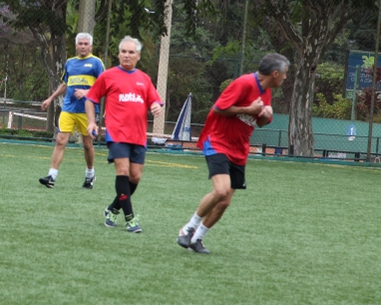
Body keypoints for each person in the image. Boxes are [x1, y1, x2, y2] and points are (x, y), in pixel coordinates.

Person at [177, 53, 289, 254]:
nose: (285, 77)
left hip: (239, 150)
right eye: (285, 73)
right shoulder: (244, 83)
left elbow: (260, 122)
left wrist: (266, 115)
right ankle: (188, 228)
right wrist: (249, 108)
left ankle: (197, 239)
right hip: (218, 141)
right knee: (221, 191)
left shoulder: (266, 91)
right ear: (275, 73)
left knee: (224, 202)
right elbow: (218, 108)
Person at [85, 36, 163, 233]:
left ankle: (113, 209)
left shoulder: (144, 79)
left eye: (131, 52)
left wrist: (156, 106)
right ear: (119, 54)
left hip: (138, 135)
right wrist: (92, 122)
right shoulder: (108, 76)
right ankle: (130, 219)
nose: (127, 55)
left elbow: (154, 100)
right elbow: (90, 99)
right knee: (123, 172)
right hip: (117, 133)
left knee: (135, 177)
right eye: (123, 52)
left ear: (138, 56)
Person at [39, 32, 104, 189]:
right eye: (80, 44)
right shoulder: (70, 63)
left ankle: (90, 174)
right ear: (76, 46)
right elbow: (65, 84)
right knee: (60, 140)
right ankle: (51, 176)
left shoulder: (96, 63)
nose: (83, 46)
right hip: (68, 108)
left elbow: (104, 86)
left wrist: (86, 92)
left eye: (86, 44)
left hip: (87, 111)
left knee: (87, 144)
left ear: (90, 46)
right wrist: (50, 98)